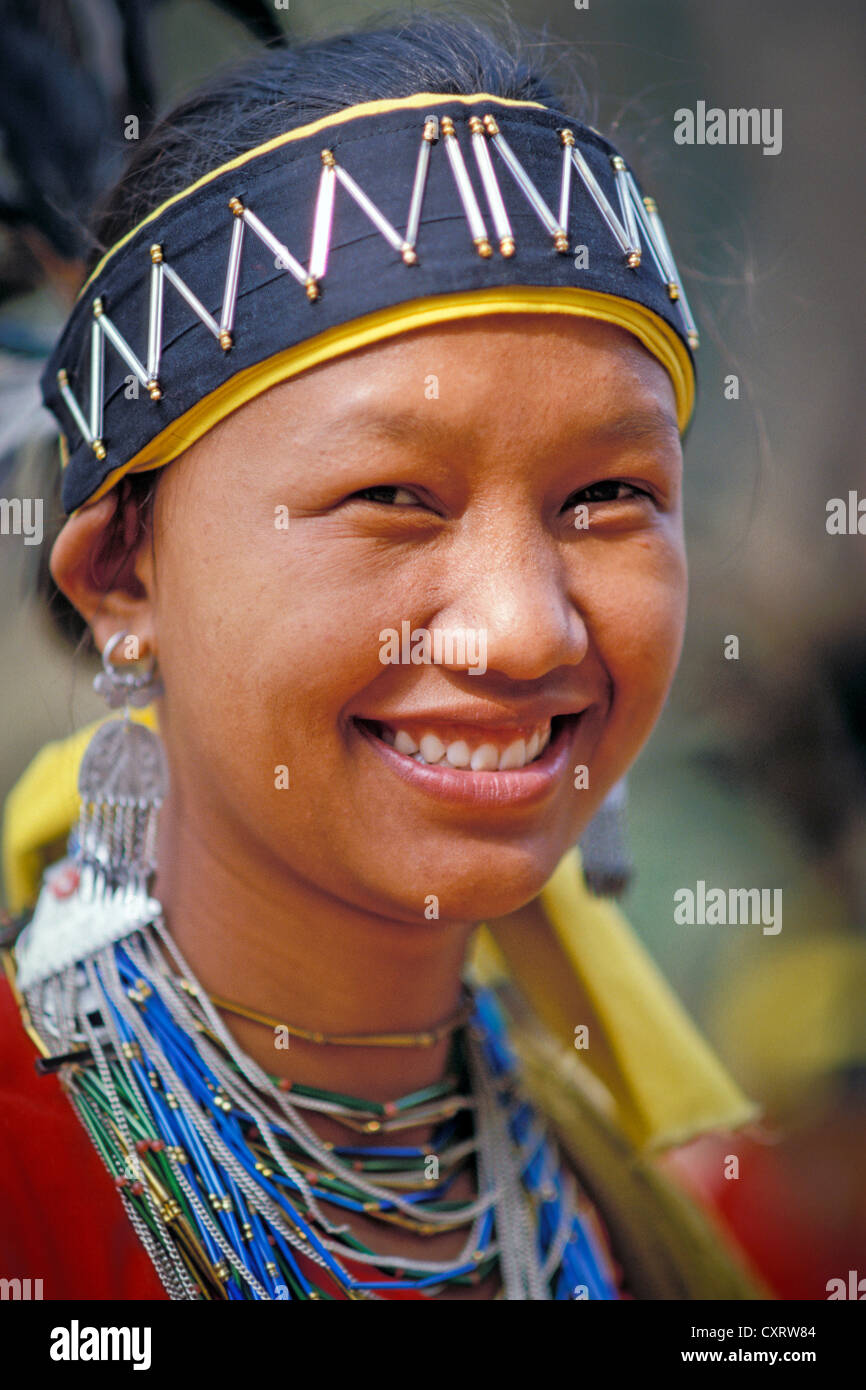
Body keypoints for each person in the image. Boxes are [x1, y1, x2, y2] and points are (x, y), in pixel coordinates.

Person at [0, 13, 765, 1301]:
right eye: (392, 498)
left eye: (608, 497)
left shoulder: (649, 1210)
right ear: (123, 578)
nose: (526, 630)